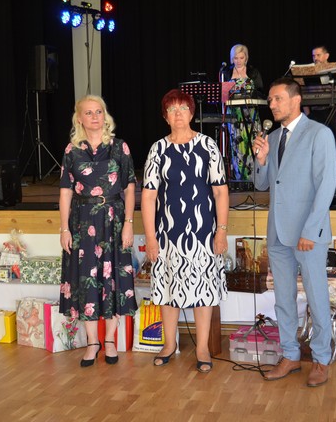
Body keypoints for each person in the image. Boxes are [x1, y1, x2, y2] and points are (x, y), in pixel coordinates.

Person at [252, 77, 336, 387]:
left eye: (277, 99)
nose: (272, 104)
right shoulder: (273, 138)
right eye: (270, 100)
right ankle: (290, 355)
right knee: (283, 299)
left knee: (316, 297)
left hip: (307, 233)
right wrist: (261, 160)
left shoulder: (319, 134)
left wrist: (311, 230)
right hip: (278, 232)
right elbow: (262, 184)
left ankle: (321, 360)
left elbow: (326, 185)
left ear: (296, 100)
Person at [141, 89, 229, 373]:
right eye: (172, 109)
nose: (178, 114)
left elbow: (220, 192)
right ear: (165, 116)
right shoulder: (158, 149)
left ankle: (202, 348)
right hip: (167, 234)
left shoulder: (208, 145)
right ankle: (169, 344)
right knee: (168, 289)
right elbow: (148, 197)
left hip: (203, 233)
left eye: (183, 108)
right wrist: (151, 238)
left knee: (203, 290)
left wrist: (221, 231)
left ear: (192, 113)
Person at [58, 95, 137, 368]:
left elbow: (129, 188)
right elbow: (65, 192)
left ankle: (110, 340)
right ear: (79, 119)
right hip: (82, 222)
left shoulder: (119, 147)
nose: (94, 117)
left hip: (114, 219)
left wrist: (129, 223)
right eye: (89, 113)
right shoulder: (72, 151)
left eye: (99, 111)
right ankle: (93, 342)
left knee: (114, 278)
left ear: (106, 116)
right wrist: (64, 229)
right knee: (86, 280)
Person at [220, 44, 265, 185]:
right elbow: (222, 95)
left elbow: (261, 92)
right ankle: (240, 179)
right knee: (237, 145)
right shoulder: (226, 73)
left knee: (253, 142)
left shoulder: (253, 72)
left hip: (250, 113)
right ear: (231, 58)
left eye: (241, 57)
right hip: (234, 114)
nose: (238, 61)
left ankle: (256, 179)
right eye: (235, 58)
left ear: (246, 58)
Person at [303, 45, 336, 155]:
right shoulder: (307, 72)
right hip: (315, 112)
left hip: (333, 109)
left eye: (318, 55)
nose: (315, 58)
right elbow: (303, 96)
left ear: (326, 56)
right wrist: (307, 115)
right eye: (313, 56)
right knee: (313, 140)